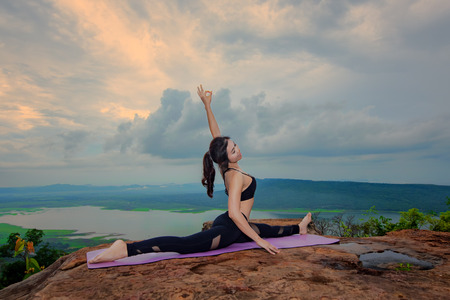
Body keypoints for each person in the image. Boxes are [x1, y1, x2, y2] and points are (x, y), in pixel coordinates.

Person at [88, 85, 311, 264]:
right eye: (234, 150)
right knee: (184, 245)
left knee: (268, 229)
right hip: (230, 226)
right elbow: (235, 214)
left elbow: (216, 134)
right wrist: (259, 242)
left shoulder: (225, 164)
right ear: (227, 157)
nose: (238, 150)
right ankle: (126, 248)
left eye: (236, 145)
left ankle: (298, 228)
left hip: (228, 222)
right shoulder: (234, 176)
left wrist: (207, 106)